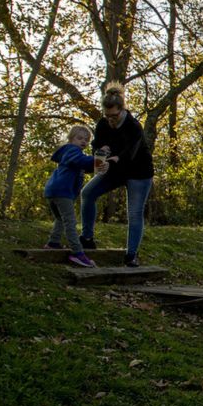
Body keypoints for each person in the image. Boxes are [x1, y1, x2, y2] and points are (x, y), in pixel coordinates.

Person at [79, 82, 155, 267]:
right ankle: (87, 238)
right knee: (87, 193)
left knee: (135, 213)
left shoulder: (133, 126)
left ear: (122, 110)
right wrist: (99, 154)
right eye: (107, 116)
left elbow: (130, 153)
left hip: (138, 171)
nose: (111, 120)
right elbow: (96, 144)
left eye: (114, 116)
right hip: (114, 169)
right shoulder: (103, 124)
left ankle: (131, 255)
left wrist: (114, 159)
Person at [44, 124, 98, 268]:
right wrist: (98, 157)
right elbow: (81, 161)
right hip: (62, 192)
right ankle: (77, 253)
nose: (83, 142)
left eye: (86, 140)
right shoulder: (72, 150)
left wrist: (98, 163)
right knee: (70, 222)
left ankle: (53, 242)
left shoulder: (72, 153)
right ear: (70, 139)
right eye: (79, 138)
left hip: (54, 191)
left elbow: (85, 167)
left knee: (60, 218)